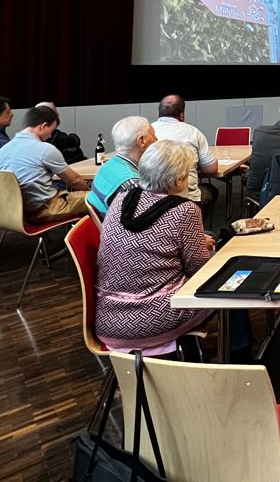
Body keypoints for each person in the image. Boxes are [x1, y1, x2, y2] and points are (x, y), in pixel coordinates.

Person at [94, 140, 252, 357]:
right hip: (155, 320)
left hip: (109, 320)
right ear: (179, 179)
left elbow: (145, 240)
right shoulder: (185, 210)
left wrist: (191, 241)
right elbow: (199, 272)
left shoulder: (120, 200)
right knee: (232, 280)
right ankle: (240, 355)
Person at [0, 105, 90, 224]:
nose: (50, 135)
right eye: (51, 130)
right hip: (43, 210)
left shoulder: (3, 150)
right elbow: (74, 181)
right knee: (100, 199)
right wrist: (91, 190)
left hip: (13, 212)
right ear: (43, 126)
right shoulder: (45, 149)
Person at [151, 95, 219, 211]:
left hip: (152, 200)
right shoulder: (193, 132)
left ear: (159, 113)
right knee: (211, 190)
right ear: (182, 115)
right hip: (187, 199)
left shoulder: (148, 131)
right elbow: (210, 169)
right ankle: (196, 224)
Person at [88, 116, 157, 216]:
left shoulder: (106, 167)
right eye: (153, 135)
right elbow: (140, 224)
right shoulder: (132, 185)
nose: (156, 139)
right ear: (141, 140)